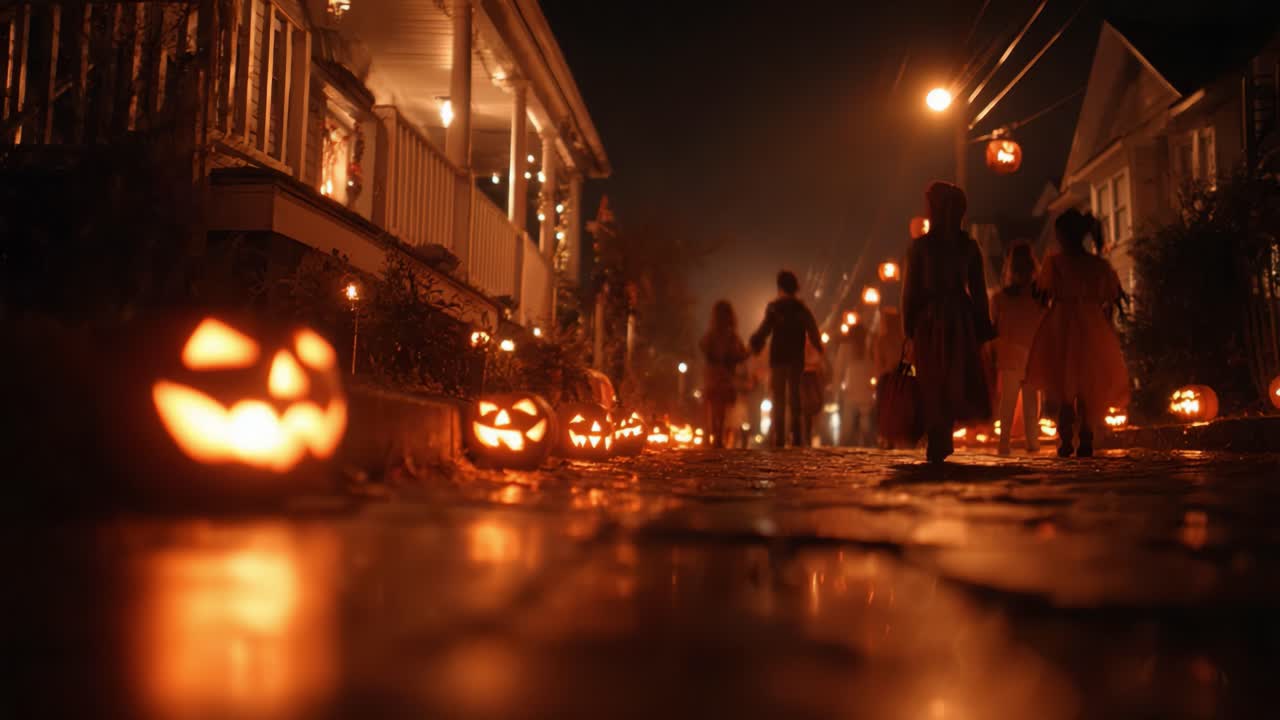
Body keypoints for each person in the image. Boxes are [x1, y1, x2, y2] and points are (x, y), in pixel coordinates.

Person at [1024, 210, 1130, 458]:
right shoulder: (1097, 265)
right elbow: (1111, 298)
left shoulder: (1055, 263)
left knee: (1065, 384)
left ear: (1062, 236)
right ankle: (1085, 435)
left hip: (1062, 322)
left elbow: (1043, 294)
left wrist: (1037, 291)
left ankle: (1066, 439)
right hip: (1090, 323)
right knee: (1086, 382)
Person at [901, 182, 994, 463]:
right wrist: (982, 326)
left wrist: (908, 327)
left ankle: (938, 433)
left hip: (930, 319)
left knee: (933, 377)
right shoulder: (967, 246)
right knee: (952, 375)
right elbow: (978, 292)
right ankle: (941, 433)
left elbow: (911, 290)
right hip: (960, 320)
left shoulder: (921, 247)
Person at [750, 270, 824, 447]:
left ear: (780, 287)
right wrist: (819, 348)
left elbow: (765, 329)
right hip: (796, 358)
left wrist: (755, 344)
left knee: (779, 398)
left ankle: (780, 438)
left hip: (778, 358)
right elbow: (812, 330)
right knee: (795, 397)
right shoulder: (801, 309)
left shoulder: (774, 307)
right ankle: (797, 437)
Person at [992, 242, 1047, 455]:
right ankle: (1032, 441)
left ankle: (1004, 442)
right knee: (1031, 403)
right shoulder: (1040, 297)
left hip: (1010, 354)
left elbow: (994, 325)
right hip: (1033, 353)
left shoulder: (1000, 298)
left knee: (1007, 401)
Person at [699, 300, 749, 448]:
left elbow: (702, 345)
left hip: (712, 375)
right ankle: (718, 435)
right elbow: (741, 353)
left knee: (714, 406)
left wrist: (714, 357)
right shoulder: (732, 336)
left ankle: (714, 434)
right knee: (721, 409)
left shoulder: (712, 334)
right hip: (726, 376)